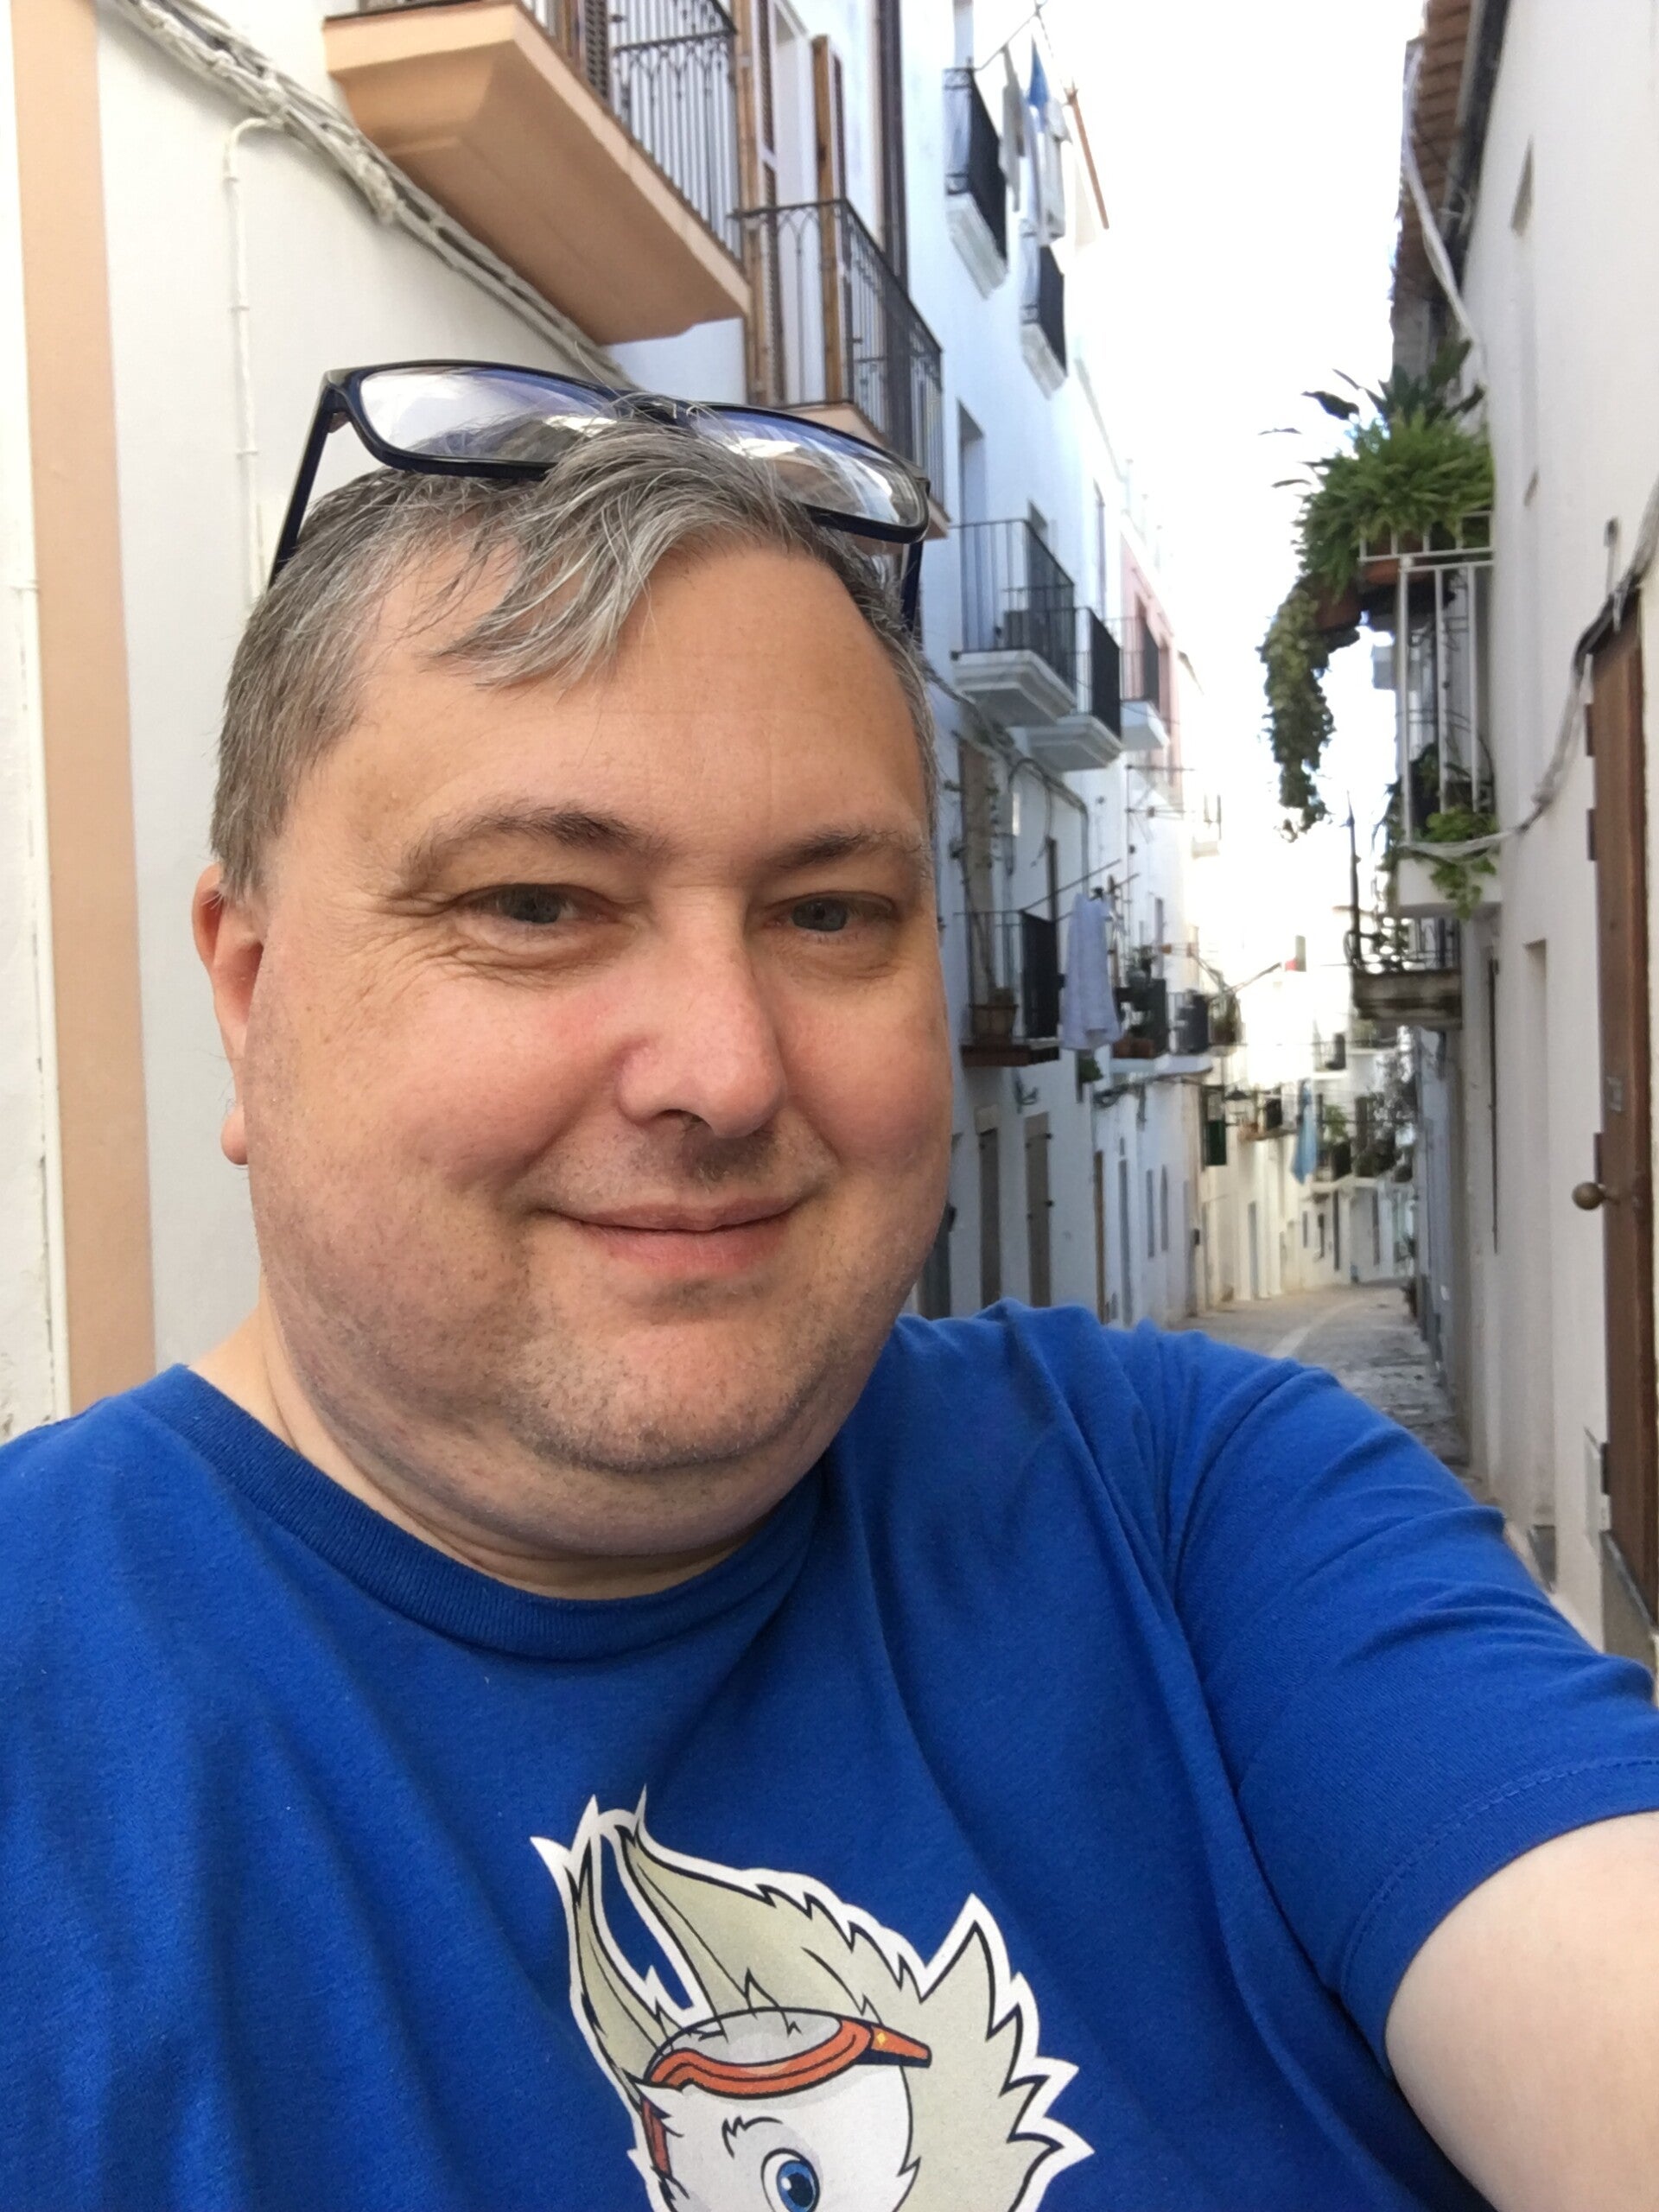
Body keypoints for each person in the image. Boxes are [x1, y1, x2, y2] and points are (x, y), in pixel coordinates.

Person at [3, 372, 1659, 2212]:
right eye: (538, 903)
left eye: (828, 914)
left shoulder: (1195, 1507)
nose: (724, 1069)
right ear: (251, 996)